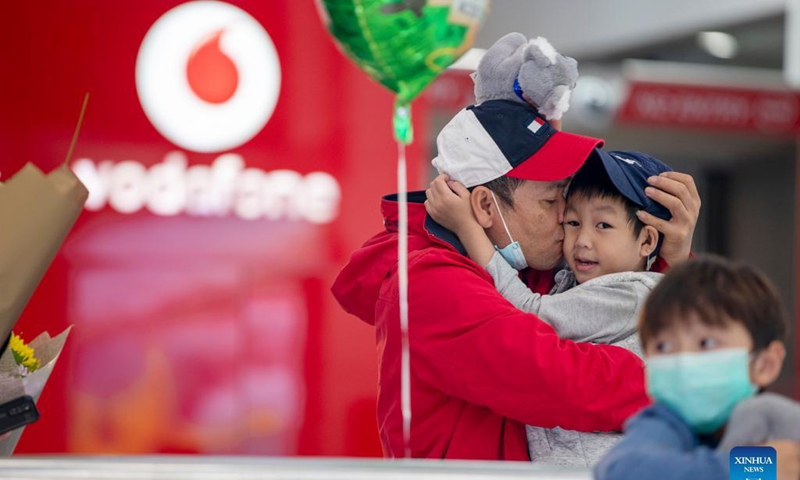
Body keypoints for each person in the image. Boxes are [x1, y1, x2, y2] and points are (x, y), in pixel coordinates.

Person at [331, 98, 701, 459]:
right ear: (485, 207)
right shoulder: (430, 283)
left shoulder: (531, 265)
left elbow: (623, 310)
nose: (565, 219)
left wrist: (669, 258)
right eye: (550, 202)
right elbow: (559, 381)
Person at [424, 149, 672, 466]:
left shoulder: (633, 294)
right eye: (573, 221)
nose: (582, 239)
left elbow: (533, 314)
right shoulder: (572, 280)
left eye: (603, 226)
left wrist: (468, 228)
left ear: (648, 241)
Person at [594, 255, 800, 480]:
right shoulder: (664, 422)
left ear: (765, 364)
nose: (683, 360)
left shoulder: (776, 419)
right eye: (663, 346)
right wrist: (754, 467)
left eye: (706, 343)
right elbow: (624, 470)